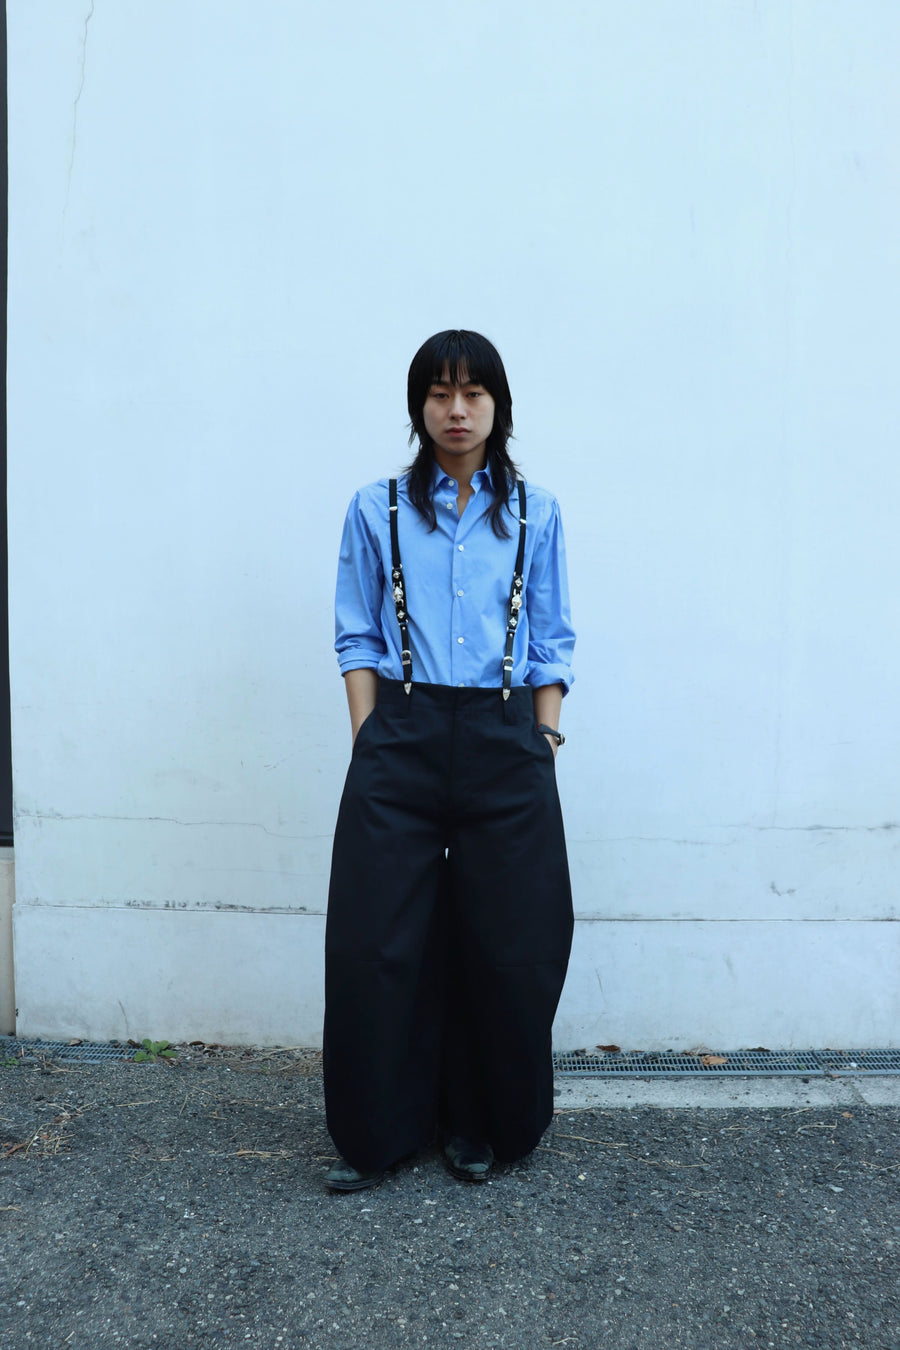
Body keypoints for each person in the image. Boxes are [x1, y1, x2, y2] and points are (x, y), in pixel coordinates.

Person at [323, 329, 575, 1192]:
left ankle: (481, 1123)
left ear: (497, 404)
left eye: (472, 393)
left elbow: (552, 639)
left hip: (507, 739)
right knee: (375, 940)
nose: (455, 409)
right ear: (418, 406)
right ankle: (378, 1133)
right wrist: (371, 737)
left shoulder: (537, 512)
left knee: (508, 938)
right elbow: (356, 632)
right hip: (401, 733)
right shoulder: (376, 507)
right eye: (438, 393)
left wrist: (542, 738)